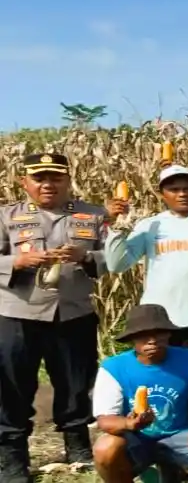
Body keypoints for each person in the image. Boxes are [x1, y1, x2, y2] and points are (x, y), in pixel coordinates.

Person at [0, 153, 108, 480]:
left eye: (56, 178)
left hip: (73, 312)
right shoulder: (7, 216)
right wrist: (15, 264)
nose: (48, 184)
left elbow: (114, 258)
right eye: (40, 178)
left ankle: (78, 450)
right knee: (12, 387)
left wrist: (86, 256)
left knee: (76, 384)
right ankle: (12, 459)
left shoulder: (92, 214)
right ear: (25, 182)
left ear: (68, 180)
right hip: (19, 313)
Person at [105, 165, 188, 361]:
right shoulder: (149, 225)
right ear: (162, 194)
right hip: (158, 324)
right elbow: (117, 264)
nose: (182, 194)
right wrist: (117, 226)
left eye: (187, 188)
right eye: (174, 190)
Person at [90, 305, 188, 482]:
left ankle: (176, 469)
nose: (152, 340)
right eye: (144, 335)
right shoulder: (113, 368)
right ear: (132, 339)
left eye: (159, 333)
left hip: (179, 434)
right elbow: (105, 420)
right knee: (105, 448)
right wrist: (131, 424)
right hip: (137, 439)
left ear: (169, 334)